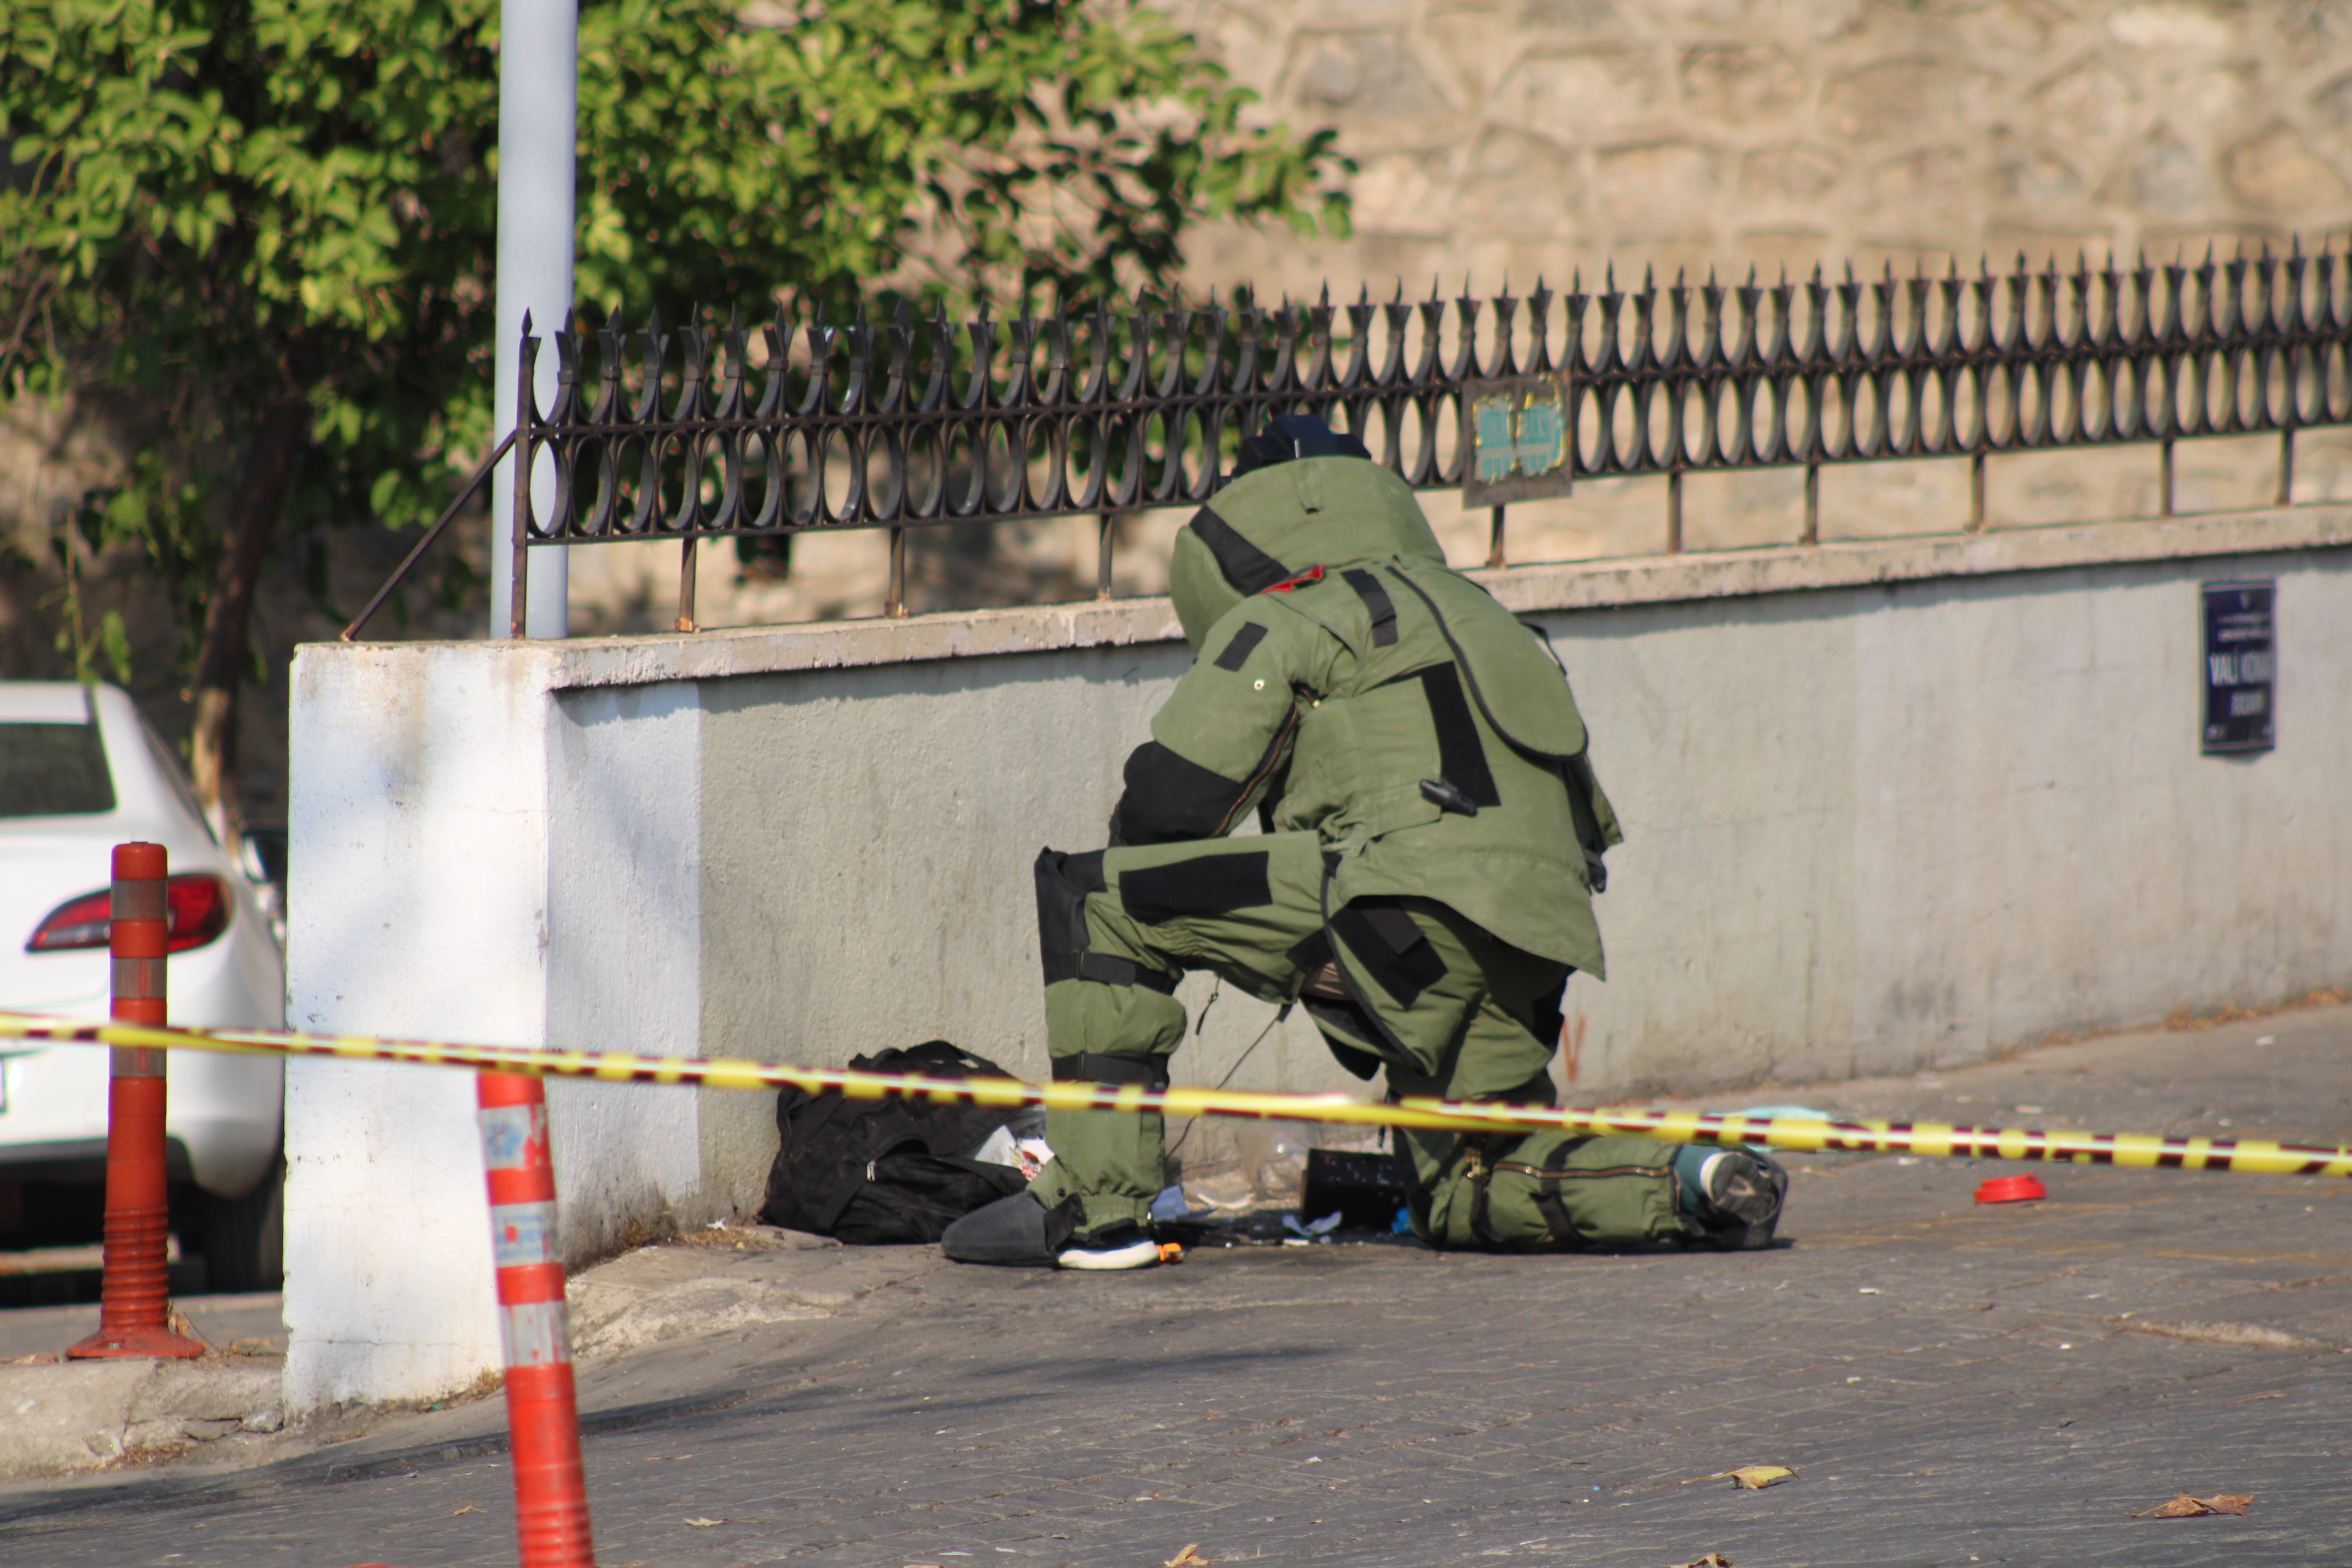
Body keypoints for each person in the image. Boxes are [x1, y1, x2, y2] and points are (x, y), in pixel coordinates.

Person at [942, 415, 1785, 1270]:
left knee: (1100, 900)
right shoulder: (1495, 619)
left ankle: (1096, 1211)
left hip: (1398, 915)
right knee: (1465, 1187)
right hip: (1533, 945)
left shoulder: (1299, 609)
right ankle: (1690, 1179)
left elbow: (1166, 812)